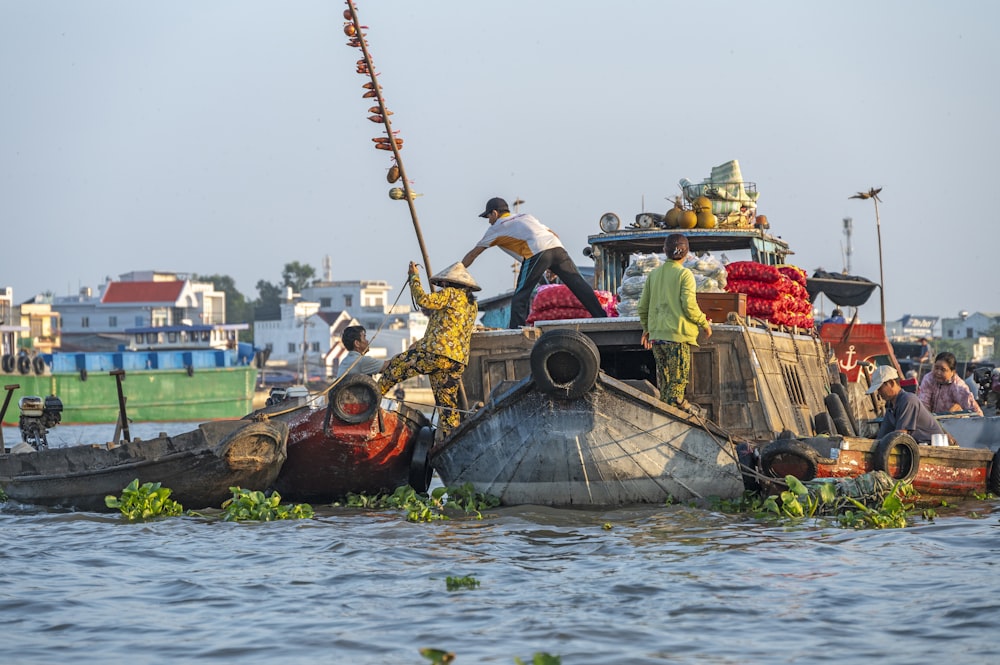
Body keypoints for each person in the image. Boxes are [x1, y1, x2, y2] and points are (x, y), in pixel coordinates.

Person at [462, 196, 607, 328]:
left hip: (536, 252)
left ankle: (516, 331)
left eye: (488, 217)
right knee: (578, 284)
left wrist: (459, 270)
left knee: (521, 294)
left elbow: (474, 253)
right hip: (557, 247)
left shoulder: (496, 228)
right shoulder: (526, 216)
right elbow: (552, 233)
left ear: (494, 213)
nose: (489, 221)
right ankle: (602, 317)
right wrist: (551, 265)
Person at [377, 261, 479, 437]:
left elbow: (423, 300)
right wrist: (422, 342)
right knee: (447, 406)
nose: (442, 288)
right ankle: (449, 441)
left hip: (436, 354)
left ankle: (368, 403)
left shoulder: (451, 294)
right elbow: (447, 327)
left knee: (395, 368)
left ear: (448, 283)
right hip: (456, 361)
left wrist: (414, 277)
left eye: (444, 285)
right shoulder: (471, 305)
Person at [637, 233, 712, 411]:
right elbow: (689, 305)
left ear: (665, 251)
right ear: (687, 253)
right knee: (677, 385)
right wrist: (704, 323)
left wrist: (647, 329)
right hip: (677, 338)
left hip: (657, 340)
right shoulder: (685, 275)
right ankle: (666, 419)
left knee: (666, 384)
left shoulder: (654, 275)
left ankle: (662, 415)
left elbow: (642, 307)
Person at [867, 365, 947, 444]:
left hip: (930, 446)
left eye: (880, 388)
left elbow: (900, 435)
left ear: (891, 383)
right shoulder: (890, 406)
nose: (878, 393)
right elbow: (882, 435)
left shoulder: (908, 400)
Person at [918, 352, 983, 416]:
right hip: (932, 421)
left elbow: (975, 411)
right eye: (936, 368)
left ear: (953, 372)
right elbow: (924, 405)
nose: (938, 372)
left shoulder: (958, 386)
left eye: (943, 370)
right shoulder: (928, 379)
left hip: (953, 422)